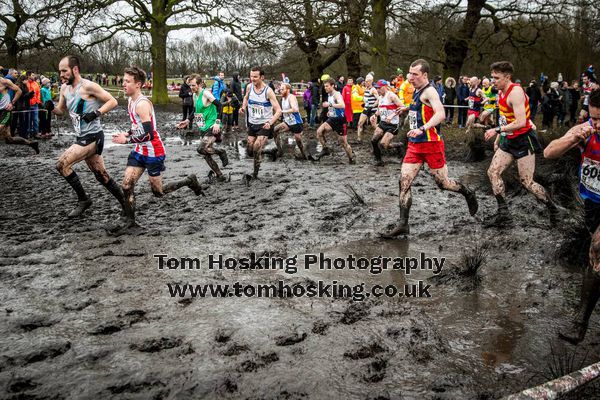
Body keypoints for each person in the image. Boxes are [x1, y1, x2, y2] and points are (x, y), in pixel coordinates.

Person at [380, 59, 478, 238]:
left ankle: (467, 192)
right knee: (404, 181)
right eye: (409, 73)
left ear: (425, 75)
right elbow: (420, 108)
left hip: (432, 144)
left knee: (443, 184)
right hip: (415, 145)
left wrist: (422, 129)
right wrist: (405, 108)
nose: (410, 78)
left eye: (415, 74)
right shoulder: (417, 90)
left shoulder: (430, 91)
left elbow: (440, 114)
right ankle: (403, 224)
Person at [111, 66, 203, 234]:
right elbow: (137, 126)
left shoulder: (142, 104)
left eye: (127, 81)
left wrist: (127, 140)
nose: (123, 84)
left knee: (158, 192)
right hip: (139, 151)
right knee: (126, 185)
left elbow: (149, 134)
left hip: (154, 151)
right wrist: (128, 132)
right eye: (123, 80)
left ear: (138, 84)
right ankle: (130, 221)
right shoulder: (131, 101)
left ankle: (189, 181)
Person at [544, 89, 600, 344]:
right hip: (592, 204)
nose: (595, 124)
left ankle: (580, 325)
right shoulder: (585, 130)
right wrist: (573, 138)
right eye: (593, 118)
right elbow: (549, 153)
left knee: (596, 253)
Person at [483, 61, 559, 226]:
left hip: (524, 139)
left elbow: (521, 122)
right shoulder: (500, 92)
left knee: (526, 182)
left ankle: (553, 209)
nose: (493, 81)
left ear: (507, 77)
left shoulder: (515, 92)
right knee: (493, 172)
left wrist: (496, 130)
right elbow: (505, 117)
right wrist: (499, 138)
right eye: (492, 77)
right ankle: (504, 213)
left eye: (496, 78)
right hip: (509, 139)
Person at [52, 55, 124, 218]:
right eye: (60, 71)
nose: (61, 74)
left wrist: (96, 113)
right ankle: (126, 202)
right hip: (81, 137)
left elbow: (112, 101)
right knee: (102, 176)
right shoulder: (64, 89)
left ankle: (84, 200)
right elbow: (61, 111)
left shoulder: (88, 86)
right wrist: (50, 107)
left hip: (93, 137)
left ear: (75, 69)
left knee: (61, 164)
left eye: (64, 71)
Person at [177, 75, 228, 181]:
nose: (191, 87)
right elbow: (195, 110)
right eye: (190, 85)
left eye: (193, 85)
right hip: (203, 127)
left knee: (201, 148)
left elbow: (220, 105)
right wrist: (187, 120)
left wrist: (218, 123)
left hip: (213, 126)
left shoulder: (206, 93)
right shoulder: (195, 95)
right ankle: (220, 175)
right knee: (206, 154)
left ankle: (221, 152)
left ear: (199, 84)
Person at [240, 66, 282, 179]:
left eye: (255, 77)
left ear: (262, 77)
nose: (252, 79)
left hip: (265, 124)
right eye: (251, 76)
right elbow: (245, 98)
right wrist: (243, 107)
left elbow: (278, 110)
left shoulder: (268, 91)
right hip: (252, 123)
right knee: (250, 150)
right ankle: (270, 152)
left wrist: (270, 122)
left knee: (257, 147)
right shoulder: (249, 87)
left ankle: (255, 174)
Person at [315, 78, 354, 164]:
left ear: (332, 86)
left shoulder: (337, 94)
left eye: (327, 86)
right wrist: (330, 111)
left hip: (340, 120)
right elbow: (333, 107)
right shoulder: (329, 95)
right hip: (332, 119)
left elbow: (342, 105)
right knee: (319, 132)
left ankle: (351, 159)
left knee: (343, 143)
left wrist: (330, 104)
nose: (325, 88)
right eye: (324, 86)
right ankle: (325, 149)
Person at [369, 79, 405, 166]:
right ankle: (378, 160)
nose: (378, 90)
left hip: (392, 125)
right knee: (373, 140)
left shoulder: (392, 96)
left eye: (379, 88)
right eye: (377, 88)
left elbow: (402, 107)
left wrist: (392, 115)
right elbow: (380, 109)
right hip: (383, 123)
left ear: (385, 87)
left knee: (383, 144)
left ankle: (398, 146)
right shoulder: (380, 97)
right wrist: (375, 115)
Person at [0, 76, 38, 152]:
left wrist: (12, 103)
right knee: (9, 139)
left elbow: (19, 91)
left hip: (5, 111)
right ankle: (31, 143)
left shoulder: (4, 82)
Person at [274, 82, 310, 160]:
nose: (281, 91)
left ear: (288, 90)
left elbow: (295, 109)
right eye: (280, 89)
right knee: (275, 130)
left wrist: (283, 112)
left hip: (296, 122)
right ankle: (279, 151)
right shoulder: (282, 98)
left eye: (282, 89)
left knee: (298, 141)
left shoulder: (291, 97)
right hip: (287, 122)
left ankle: (304, 156)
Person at [357, 74, 378, 142]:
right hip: (366, 108)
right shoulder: (365, 88)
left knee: (374, 126)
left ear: (371, 81)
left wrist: (373, 105)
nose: (366, 83)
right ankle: (359, 139)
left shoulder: (373, 89)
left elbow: (379, 99)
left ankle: (378, 137)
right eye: (365, 81)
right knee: (360, 123)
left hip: (372, 110)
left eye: (368, 81)